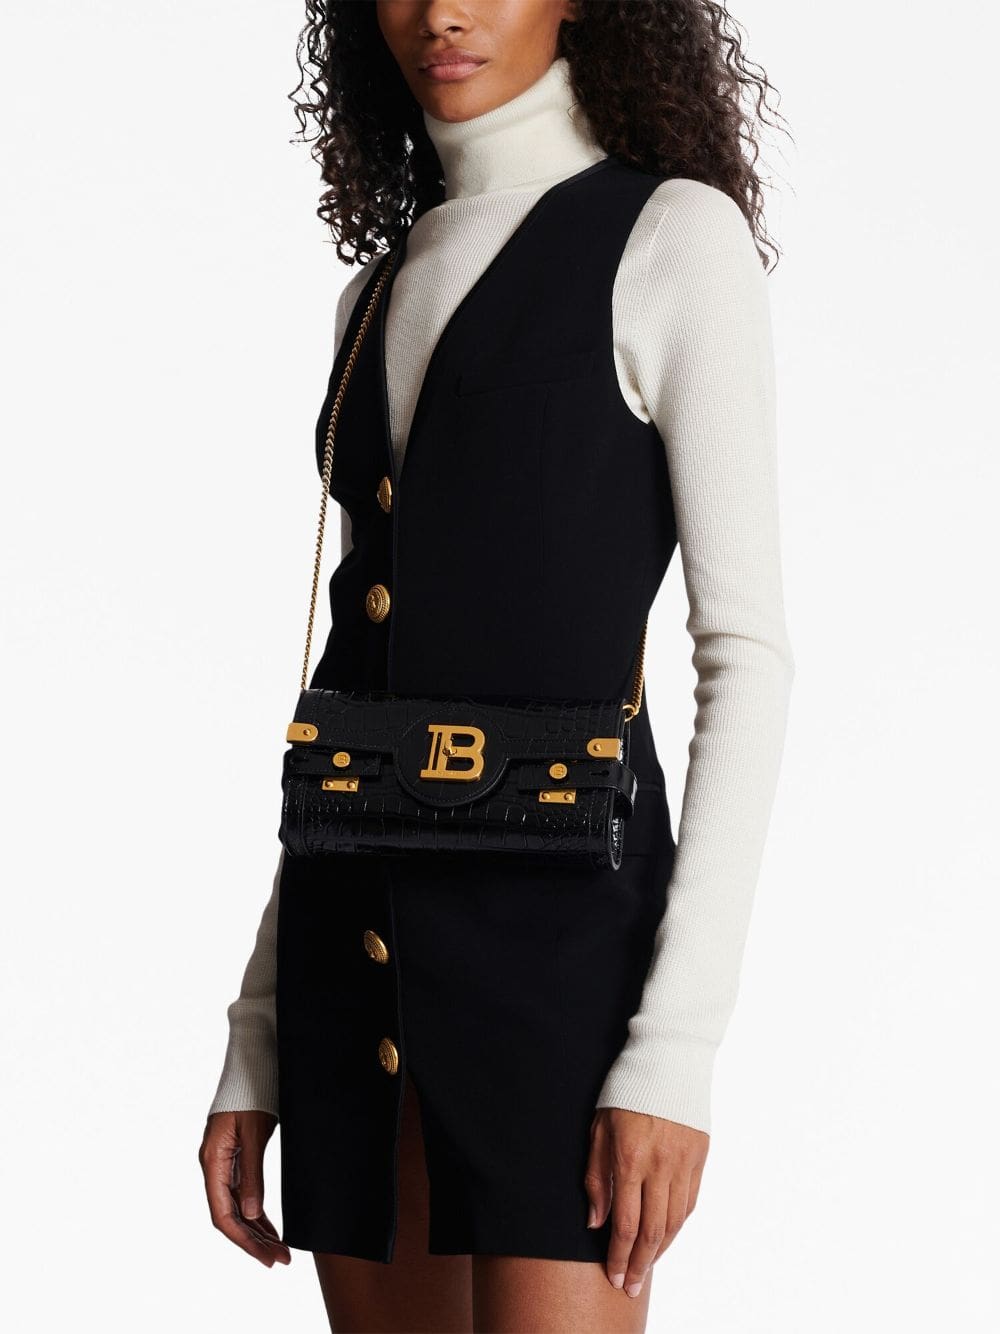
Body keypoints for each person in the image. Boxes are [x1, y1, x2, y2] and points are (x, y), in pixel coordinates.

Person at [198, 3, 795, 1331]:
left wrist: (673, 1052)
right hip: (355, 951)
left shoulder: (671, 240)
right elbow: (352, 696)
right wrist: (259, 1034)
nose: (442, 13)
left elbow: (747, 659)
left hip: (563, 962)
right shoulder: (376, 292)